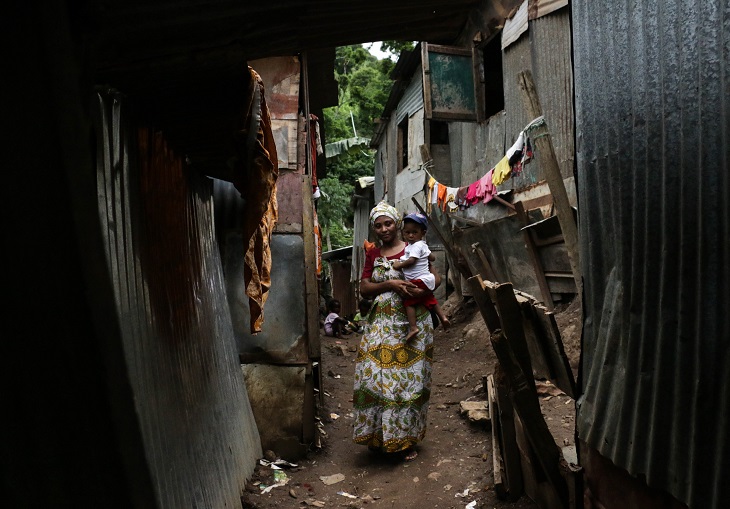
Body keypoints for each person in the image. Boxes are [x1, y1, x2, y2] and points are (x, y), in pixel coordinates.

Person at [352, 202, 441, 462]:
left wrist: (423, 289)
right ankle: (378, 436)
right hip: (381, 325)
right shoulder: (373, 254)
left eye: (388, 223)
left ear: (397, 224)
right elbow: (364, 288)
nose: (384, 229)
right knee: (374, 379)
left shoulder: (414, 247)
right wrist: (390, 283)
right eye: (378, 225)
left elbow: (436, 277)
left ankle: (405, 441)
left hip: (414, 322)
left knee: (408, 383)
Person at [391, 212, 450, 341]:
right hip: (427, 279)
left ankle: (413, 328)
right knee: (430, 299)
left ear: (423, 233)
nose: (411, 235)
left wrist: (398, 265)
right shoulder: (422, 245)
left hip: (418, 280)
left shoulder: (415, 246)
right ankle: (443, 317)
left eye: (414, 232)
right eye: (407, 232)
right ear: (403, 232)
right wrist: (425, 257)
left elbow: (411, 261)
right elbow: (432, 257)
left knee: (409, 302)